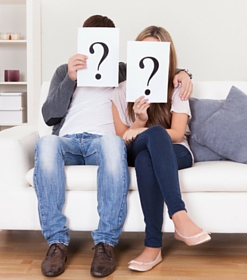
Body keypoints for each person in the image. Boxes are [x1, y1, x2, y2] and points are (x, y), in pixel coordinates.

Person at [33, 16, 193, 278]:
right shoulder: (64, 71)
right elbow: (49, 116)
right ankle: (56, 242)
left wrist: (183, 73)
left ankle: (105, 243)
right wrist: (70, 78)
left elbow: (156, 67)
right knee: (46, 143)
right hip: (69, 140)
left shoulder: (123, 71)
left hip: (104, 141)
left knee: (112, 144)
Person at [110, 25, 210, 272]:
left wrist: (143, 130)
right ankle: (180, 217)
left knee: (146, 159)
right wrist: (141, 121)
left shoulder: (177, 87)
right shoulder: (120, 91)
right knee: (147, 146)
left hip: (176, 151)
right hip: (136, 146)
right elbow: (122, 138)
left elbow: (176, 134)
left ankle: (152, 248)